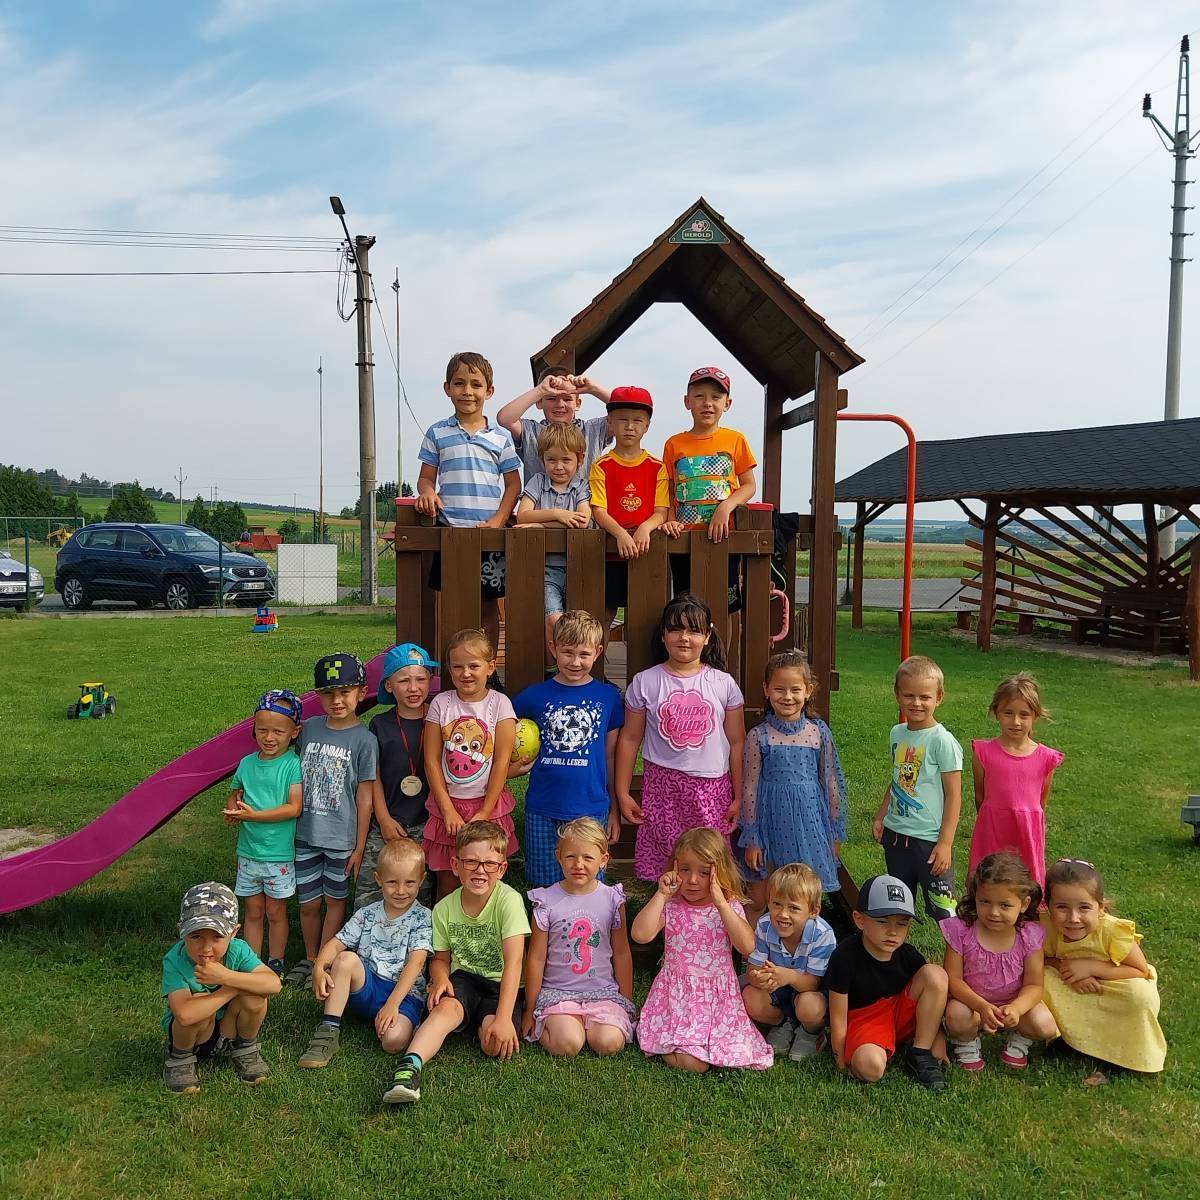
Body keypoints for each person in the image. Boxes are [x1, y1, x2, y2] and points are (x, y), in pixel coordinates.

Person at [383, 820, 530, 1104]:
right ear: (455, 865)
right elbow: (440, 959)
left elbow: (514, 963)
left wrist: (503, 1018)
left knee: (493, 1045)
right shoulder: (443, 908)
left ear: (501, 869)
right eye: (471, 862)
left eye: (489, 864)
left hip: (501, 983)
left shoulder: (509, 901)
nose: (480, 870)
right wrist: (440, 978)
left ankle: (479, 1021)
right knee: (445, 1009)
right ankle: (409, 1067)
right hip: (464, 979)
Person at [615, 593, 745, 881]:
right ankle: (667, 906)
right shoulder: (646, 682)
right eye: (675, 629)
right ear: (663, 635)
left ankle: (709, 906)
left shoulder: (723, 684)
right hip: (663, 788)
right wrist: (623, 793)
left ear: (707, 636)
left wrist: (739, 796)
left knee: (710, 858)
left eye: (694, 631)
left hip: (712, 789)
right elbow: (630, 739)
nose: (684, 638)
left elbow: (737, 742)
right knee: (667, 861)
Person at [632, 827, 772, 1072]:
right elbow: (640, 935)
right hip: (677, 1001)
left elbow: (747, 946)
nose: (693, 880)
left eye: (704, 872)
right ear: (674, 869)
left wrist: (721, 904)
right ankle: (672, 1045)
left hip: (718, 1001)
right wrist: (661, 896)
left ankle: (697, 1046)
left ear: (719, 873)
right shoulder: (672, 906)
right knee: (695, 1064)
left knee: (734, 1055)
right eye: (685, 870)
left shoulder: (728, 907)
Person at [299, 839, 433, 1079]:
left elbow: (416, 963)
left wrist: (392, 1004)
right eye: (392, 882)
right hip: (368, 986)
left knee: (392, 1042)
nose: (401, 891)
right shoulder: (367, 913)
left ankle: (405, 1023)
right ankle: (328, 1030)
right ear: (378, 879)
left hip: (404, 994)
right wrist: (318, 968)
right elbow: (337, 943)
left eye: (409, 882)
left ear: (421, 880)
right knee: (345, 960)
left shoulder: (423, 917)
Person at [416, 351, 522, 654]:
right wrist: (427, 492)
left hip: (488, 535)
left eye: (476, 384)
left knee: (488, 607)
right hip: (450, 533)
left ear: (489, 391)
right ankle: (455, 665)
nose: (467, 391)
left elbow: (513, 485)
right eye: (459, 383)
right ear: (447, 388)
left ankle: (488, 667)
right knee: (451, 605)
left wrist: (498, 521)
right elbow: (426, 478)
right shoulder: (437, 432)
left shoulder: (500, 437)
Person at [285, 653, 378, 989]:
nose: (337, 700)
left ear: (361, 692)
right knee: (308, 903)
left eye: (345, 692)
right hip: (305, 835)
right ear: (317, 695)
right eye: (328, 693)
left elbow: (365, 796)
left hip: (342, 840)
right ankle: (310, 958)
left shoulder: (365, 741)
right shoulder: (307, 730)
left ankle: (324, 962)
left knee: (335, 903)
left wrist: (359, 846)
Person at [511, 610, 624, 887]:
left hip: (591, 808)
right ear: (553, 648)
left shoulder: (608, 697)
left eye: (584, 654)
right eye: (567, 653)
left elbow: (610, 756)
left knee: (588, 884)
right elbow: (503, 725)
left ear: (598, 652)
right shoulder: (535, 696)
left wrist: (613, 809)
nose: (575, 662)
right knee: (543, 887)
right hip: (543, 807)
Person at [738, 650, 847, 922]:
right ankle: (749, 948)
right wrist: (752, 838)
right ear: (766, 690)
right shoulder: (759, 736)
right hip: (770, 825)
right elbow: (749, 788)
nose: (787, 697)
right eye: (779, 689)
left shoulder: (818, 732)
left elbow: (831, 781)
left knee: (805, 897)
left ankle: (807, 947)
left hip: (809, 826)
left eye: (795, 690)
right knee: (759, 898)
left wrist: (834, 831)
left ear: (808, 691)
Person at [1040, 858, 1166, 1075]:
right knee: (1041, 979)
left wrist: (1091, 968)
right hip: (1070, 982)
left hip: (1113, 984)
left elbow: (1140, 970)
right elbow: (1038, 960)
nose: (1073, 918)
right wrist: (1067, 970)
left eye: (1084, 907)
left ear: (1100, 907)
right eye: (1061, 907)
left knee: (1138, 994)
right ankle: (1069, 1039)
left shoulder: (1112, 931)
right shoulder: (1045, 928)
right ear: (1048, 907)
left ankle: (1126, 1050)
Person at [523, 817, 636, 1057]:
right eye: (571, 856)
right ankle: (560, 1023)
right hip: (558, 993)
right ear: (559, 856)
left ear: (603, 860)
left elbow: (622, 953)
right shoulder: (546, 901)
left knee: (609, 1043)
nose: (579, 864)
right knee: (568, 1044)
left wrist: (626, 1002)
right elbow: (536, 958)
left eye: (588, 858)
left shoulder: (612, 900)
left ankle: (598, 1021)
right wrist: (529, 1008)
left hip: (602, 992)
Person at [825, 874, 949, 1091]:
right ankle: (879, 1050)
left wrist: (938, 1039)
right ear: (860, 919)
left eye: (901, 924)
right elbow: (838, 1017)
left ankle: (920, 1052)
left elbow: (931, 998)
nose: (893, 932)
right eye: (882, 922)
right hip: (866, 1021)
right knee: (871, 1067)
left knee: (935, 974)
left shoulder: (909, 955)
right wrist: (841, 1061)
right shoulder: (844, 957)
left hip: (900, 1014)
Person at [161, 882, 282, 1094]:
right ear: (182, 931)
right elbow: (185, 1015)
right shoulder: (175, 960)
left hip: (229, 1028)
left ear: (234, 932)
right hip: (195, 1035)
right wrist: (233, 987)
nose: (206, 948)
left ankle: (245, 1048)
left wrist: (226, 976)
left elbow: (273, 984)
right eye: (196, 936)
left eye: (217, 937)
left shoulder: (238, 950)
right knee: (199, 1003)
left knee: (256, 996)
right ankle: (180, 1059)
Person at [423, 629, 518, 899]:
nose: (465, 673)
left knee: (487, 881)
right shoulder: (441, 704)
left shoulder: (500, 704)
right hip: (448, 806)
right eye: (458, 667)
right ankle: (447, 926)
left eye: (473, 666)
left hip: (489, 805)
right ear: (449, 669)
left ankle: (487, 925)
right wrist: (447, 810)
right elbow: (431, 760)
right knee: (448, 884)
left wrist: (485, 811)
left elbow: (501, 762)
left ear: (490, 667)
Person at [942, 852, 1057, 1071]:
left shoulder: (1029, 936)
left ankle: (1019, 1040)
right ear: (975, 896)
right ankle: (966, 1041)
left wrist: (1016, 1009)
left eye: (1004, 905)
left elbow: (1034, 986)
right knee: (956, 1015)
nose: (994, 912)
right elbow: (953, 980)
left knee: (1045, 1025)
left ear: (1024, 904)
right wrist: (981, 1006)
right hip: (971, 1005)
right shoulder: (961, 931)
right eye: (985, 902)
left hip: (1012, 1006)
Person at [872, 655, 962, 922]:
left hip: (929, 842)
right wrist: (881, 816)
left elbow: (954, 795)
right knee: (898, 907)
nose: (916, 703)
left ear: (939, 698)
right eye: (909, 695)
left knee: (944, 910)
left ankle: (955, 951)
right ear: (897, 695)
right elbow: (898, 779)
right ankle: (899, 948)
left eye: (925, 697)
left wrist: (945, 843)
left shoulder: (942, 741)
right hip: (896, 836)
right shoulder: (897, 733)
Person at [660, 366, 757, 615]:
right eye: (699, 396)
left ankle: (723, 643)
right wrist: (669, 519)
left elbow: (749, 485)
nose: (708, 403)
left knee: (726, 606)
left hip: (722, 537)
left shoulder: (736, 440)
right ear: (687, 401)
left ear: (727, 404)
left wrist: (726, 506)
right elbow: (667, 488)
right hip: (683, 539)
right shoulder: (674, 444)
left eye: (716, 397)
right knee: (686, 605)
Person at [222, 689, 303, 975]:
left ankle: (276, 961)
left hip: (278, 855)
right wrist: (233, 810)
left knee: (275, 912)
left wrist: (254, 816)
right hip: (248, 852)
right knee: (253, 911)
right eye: (262, 730)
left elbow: (294, 807)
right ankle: (252, 963)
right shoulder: (246, 763)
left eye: (278, 732)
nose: (269, 738)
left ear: (294, 732)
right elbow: (235, 794)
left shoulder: (292, 764)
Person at [358, 642, 438, 912]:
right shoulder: (379, 724)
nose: (413, 688)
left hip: (428, 823)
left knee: (419, 893)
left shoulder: (440, 720)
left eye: (420, 679)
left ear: (430, 680)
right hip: (389, 821)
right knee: (371, 886)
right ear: (389, 686)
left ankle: (414, 939)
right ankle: (365, 936)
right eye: (404, 681)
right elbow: (374, 777)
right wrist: (383, 819)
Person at [969, 673, 1063, 889]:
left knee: (1026, 887)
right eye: (1008, 713)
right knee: (986, 882)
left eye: (1024, 715)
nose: (1016, 722)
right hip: (993, 830)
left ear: (1035, 716)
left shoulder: (1046, 758)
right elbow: (980, 797)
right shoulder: (983, 753)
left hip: (1026, 833)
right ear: (996, 713)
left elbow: (1041, 802)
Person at [587, 385, 669, 631]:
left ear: (647, 425)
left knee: (646, 614)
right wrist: (620, 534)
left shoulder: (657, 467)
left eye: (637, 420)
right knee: (605, 613)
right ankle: (597, 656)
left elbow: (661, 511)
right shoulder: (601, 465)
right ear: (610, 422)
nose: (630, 426)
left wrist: (645, 528)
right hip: (610, 552)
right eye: (622, 420)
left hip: (648, 551)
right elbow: (598, 510)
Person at [741, 863, 837, 1060]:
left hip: (811, 991)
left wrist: (789, 976)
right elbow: (753, 968)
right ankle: (783, 1024)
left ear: (813, 911)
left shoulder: (822, 934)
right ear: (768, 902)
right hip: (778, 987)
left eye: (793, 908)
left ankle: (811, 1033)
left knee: (810, 1006)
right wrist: (758, 978)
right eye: (777, 904)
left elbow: (814, 983)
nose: (783, 914)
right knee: (750, 996)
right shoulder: (764, 925)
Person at [514, 423, 594, 656]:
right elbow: (523, 515)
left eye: (566, 460)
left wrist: (541, 524)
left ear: (580, 460)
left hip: (577, 568)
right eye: (552, 460)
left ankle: (572, 664)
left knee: (577, 623)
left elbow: (583, 521)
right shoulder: (538, 482)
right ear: (543, 459)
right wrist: (559, 515)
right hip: (546, 569)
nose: (559, 467)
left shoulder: (581, 486)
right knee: (554, 619)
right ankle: (553, 666)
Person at [495, 365, 612, 483]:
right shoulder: (531, 431)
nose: (560, 404)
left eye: (567, 399)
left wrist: (593, 388)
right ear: (539, 402)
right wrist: (541, 390)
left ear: (577, 403)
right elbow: (504, 418)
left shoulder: (593, 430)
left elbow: (623, 409)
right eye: (551, 398)